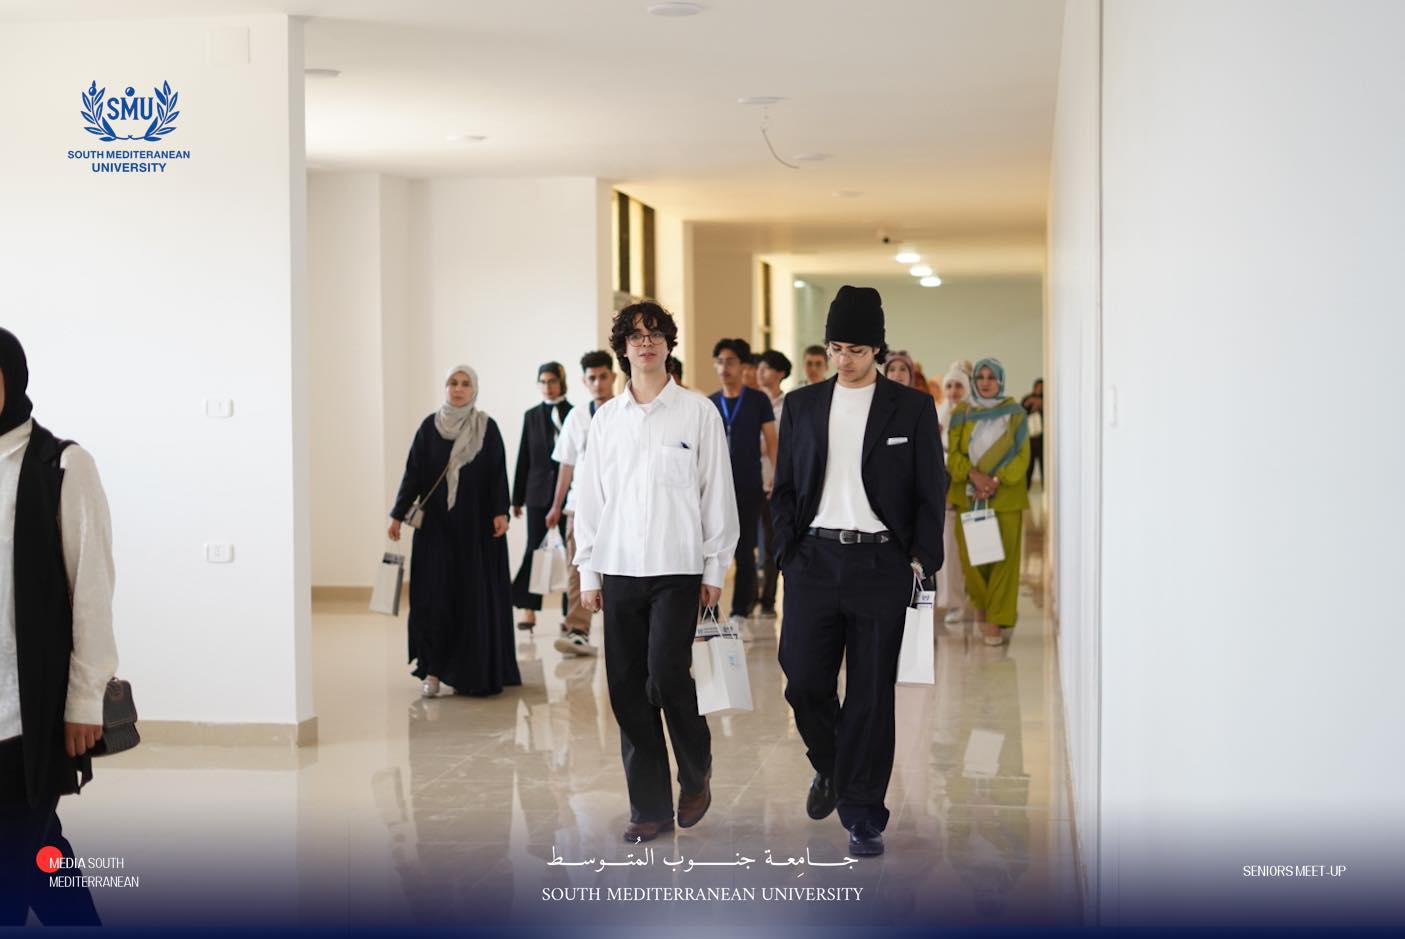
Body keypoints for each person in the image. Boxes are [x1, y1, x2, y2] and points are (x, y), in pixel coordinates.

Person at [771, 286, 946, 859]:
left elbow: (931, 488)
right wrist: (785, 551)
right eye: (836, 348)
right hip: (813, 561)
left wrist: (921, 558)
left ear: (878, 350)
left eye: (857, 350)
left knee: (871, 693)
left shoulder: (910, 408)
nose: (844, 360)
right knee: (803, 679)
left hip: (880, 564)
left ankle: (864, 815)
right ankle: (833, 764)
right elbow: (786, 487)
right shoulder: (801, 405)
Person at [574, 301, 739, 844]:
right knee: (626, 688)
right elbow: (591, 499)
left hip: (679, 568)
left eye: (654, 335)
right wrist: (589, 572)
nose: (645, 343)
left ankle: (695, 767)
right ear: (623, 349)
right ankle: (648, 807)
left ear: (668, 344)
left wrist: (715, 566)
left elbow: (717, 495)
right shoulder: (606, 420)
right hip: (619, 567)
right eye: (635, 336)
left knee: (667, 674)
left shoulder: (698, 413)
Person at [0, 328, 114, 926]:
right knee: (41, 851)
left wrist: (85, 699)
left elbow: (91, 590)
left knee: (16, 853)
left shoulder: (61, 465)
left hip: (28, 710)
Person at [389, 366, 520, 697]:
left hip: (476, 530)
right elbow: (413, 474)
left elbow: (497, 473)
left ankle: (472, 671)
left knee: (470, 598)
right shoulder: (429, 427)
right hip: (435, 530)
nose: (458, 389)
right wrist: (397, 515)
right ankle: (433, 670)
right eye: (452, 383)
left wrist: (501, 511)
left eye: (465, 384)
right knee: (434, 598)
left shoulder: (486, 427)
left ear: (474, 389)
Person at [946, 358, 1031, 647]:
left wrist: (995, 481)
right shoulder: (961, 412)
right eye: (980, 377)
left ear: (1000, 381)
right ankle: (982, 605)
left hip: (1005, 497)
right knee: (973, 560)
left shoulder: (1015, 413)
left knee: (1002, 561)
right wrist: (974, 476)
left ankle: (994, 618)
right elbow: (953, 454)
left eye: (991, 377)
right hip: (968, 495)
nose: (984, 382)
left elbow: (1022, 454)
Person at [544, 350, 617, 657]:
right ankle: (577, 631)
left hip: (617, 508)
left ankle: (621, 632)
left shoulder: (625, 412)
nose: (598, 383)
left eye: (603, 376)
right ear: (584, 382)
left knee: (616, 572)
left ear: (613, 377)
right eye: (592, 378)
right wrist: (556, 505)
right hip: (579, 507)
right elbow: (567, 464)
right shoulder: (577, 416)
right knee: (578, 570)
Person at [709, 338, 776, 640]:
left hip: (749, 486)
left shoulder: (758, 400)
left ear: (743, 366)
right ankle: (709, 611)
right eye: (720, 361)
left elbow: (772, 442)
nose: (725, 367)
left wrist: (777, 476)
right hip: (715, 490)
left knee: (745, 551)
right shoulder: (710, 403)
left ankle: (740, 612)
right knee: (712, 550)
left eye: (731, 361)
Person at [510, 363, 573, 633]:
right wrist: (516, 499)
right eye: (543, 382)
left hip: (569, 493)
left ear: (562, 382)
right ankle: (529, 609)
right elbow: (523, 457)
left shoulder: (574, 413)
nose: (548, 387)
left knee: (570, 553)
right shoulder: (531, 416)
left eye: (552, 381)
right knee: (534, 549)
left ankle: (570, 614)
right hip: (536, 493)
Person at [755, 349, 791, 619]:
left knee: (770, 544)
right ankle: (748, 597)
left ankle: (768, 599)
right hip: (749, 480)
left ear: (779, 373)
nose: (760, 373)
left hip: (773, 482)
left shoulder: (789, 405)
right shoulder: (753, 402)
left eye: (766, 368)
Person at [937, 368, 972, 624]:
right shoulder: (938, 413)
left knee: (971, 549)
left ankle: (975, 597)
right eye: (949, 386)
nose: (953, 392)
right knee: (949, 549)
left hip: (968, 487)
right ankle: (953, 602)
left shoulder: (973, 415)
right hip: (945, 491)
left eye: (958, 386)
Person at [1022, 379, 1044, 488]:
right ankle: (1025, 490)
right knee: (1028, 468)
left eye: (1041, 388)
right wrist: (1028, 404)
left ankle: (1046, 491)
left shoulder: (1047, 399)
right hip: (1030, 440)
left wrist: (1042, 405)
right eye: (1038, 387)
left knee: (1044, 468)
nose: (1039, 389)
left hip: (1042, 440)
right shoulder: (1027, 398)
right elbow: (1020, 414)